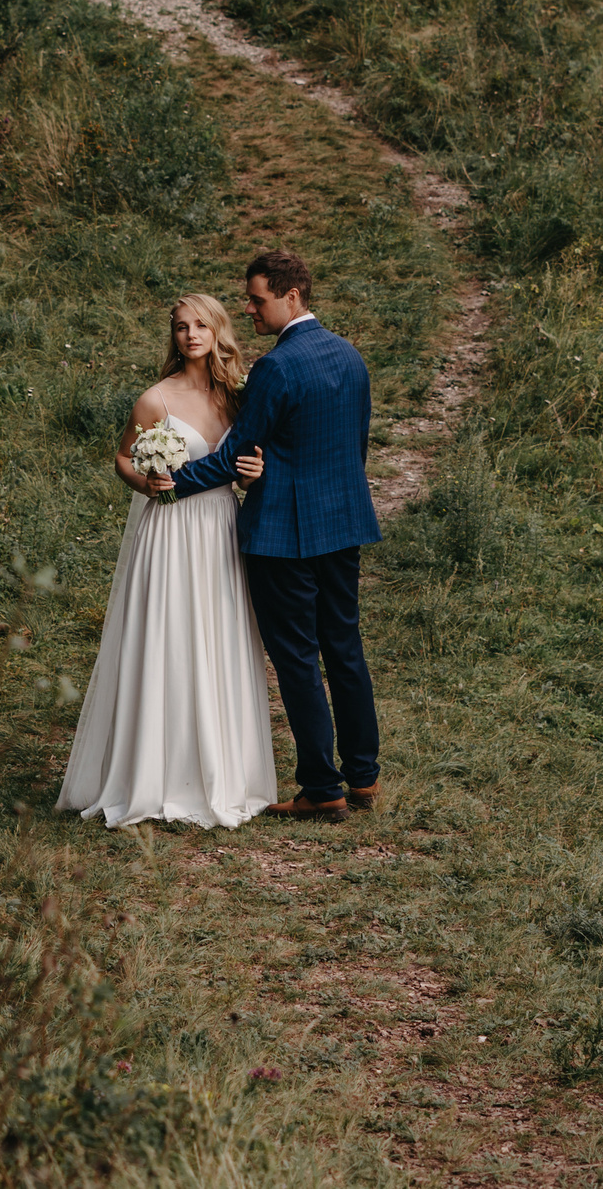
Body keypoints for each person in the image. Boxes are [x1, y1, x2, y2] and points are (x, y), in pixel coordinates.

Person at [167, 250, 384, 822]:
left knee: (296, 659)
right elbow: (351, 448)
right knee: (345, 649)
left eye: (258, 299)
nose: (250, 308)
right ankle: (363, 779)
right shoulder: (350, 356)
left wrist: (172, 484)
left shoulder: (277, 369)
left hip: (284, 535)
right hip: (343, 524)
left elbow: (236, 455)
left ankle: (322, 789)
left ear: (292, 297)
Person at [57, 294, 275, 829]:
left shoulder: (238, 398)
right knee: (168, 634)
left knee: (218, 634)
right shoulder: (156, 399)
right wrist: (147, 483)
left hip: (220, 526)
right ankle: (156, 771)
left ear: (218, 331)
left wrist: (251, 473)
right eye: (181, 327)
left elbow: (247, 463)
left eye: (201, 325)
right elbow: (124, 457)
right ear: (173, 337)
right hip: (171, 529)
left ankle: (222, 769)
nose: (191, 335)